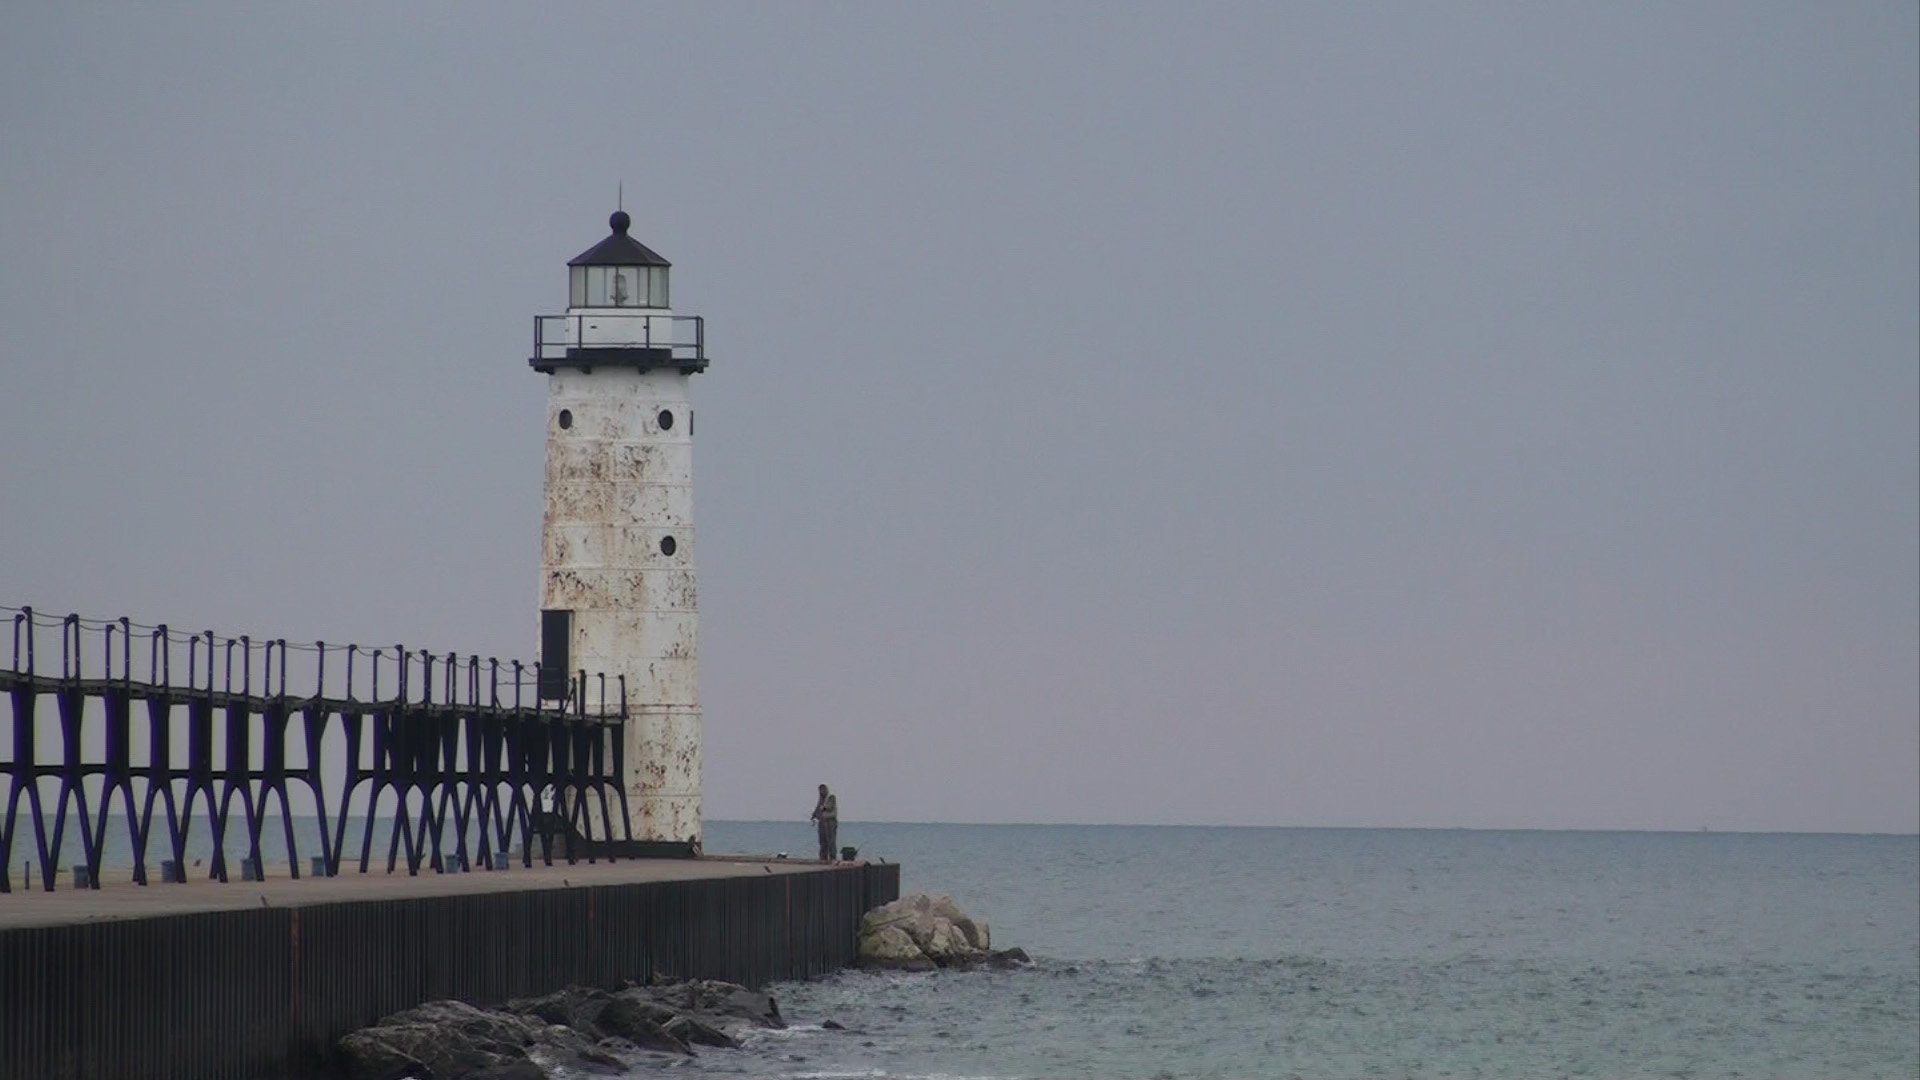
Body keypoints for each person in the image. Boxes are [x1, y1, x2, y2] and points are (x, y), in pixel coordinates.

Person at [810, 783, 838, 862]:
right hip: (822, 822)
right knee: (822, 841)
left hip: (830, 821)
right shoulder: (820, 799)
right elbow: (818, 808)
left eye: (823, 790)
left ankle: (833, 858)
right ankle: (823, 858)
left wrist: (823, 807)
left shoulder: (831, 797)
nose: (821, 792)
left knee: (831, 841)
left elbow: (828, 807)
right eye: (820, 790)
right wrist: (814, 815)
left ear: (826, 789)